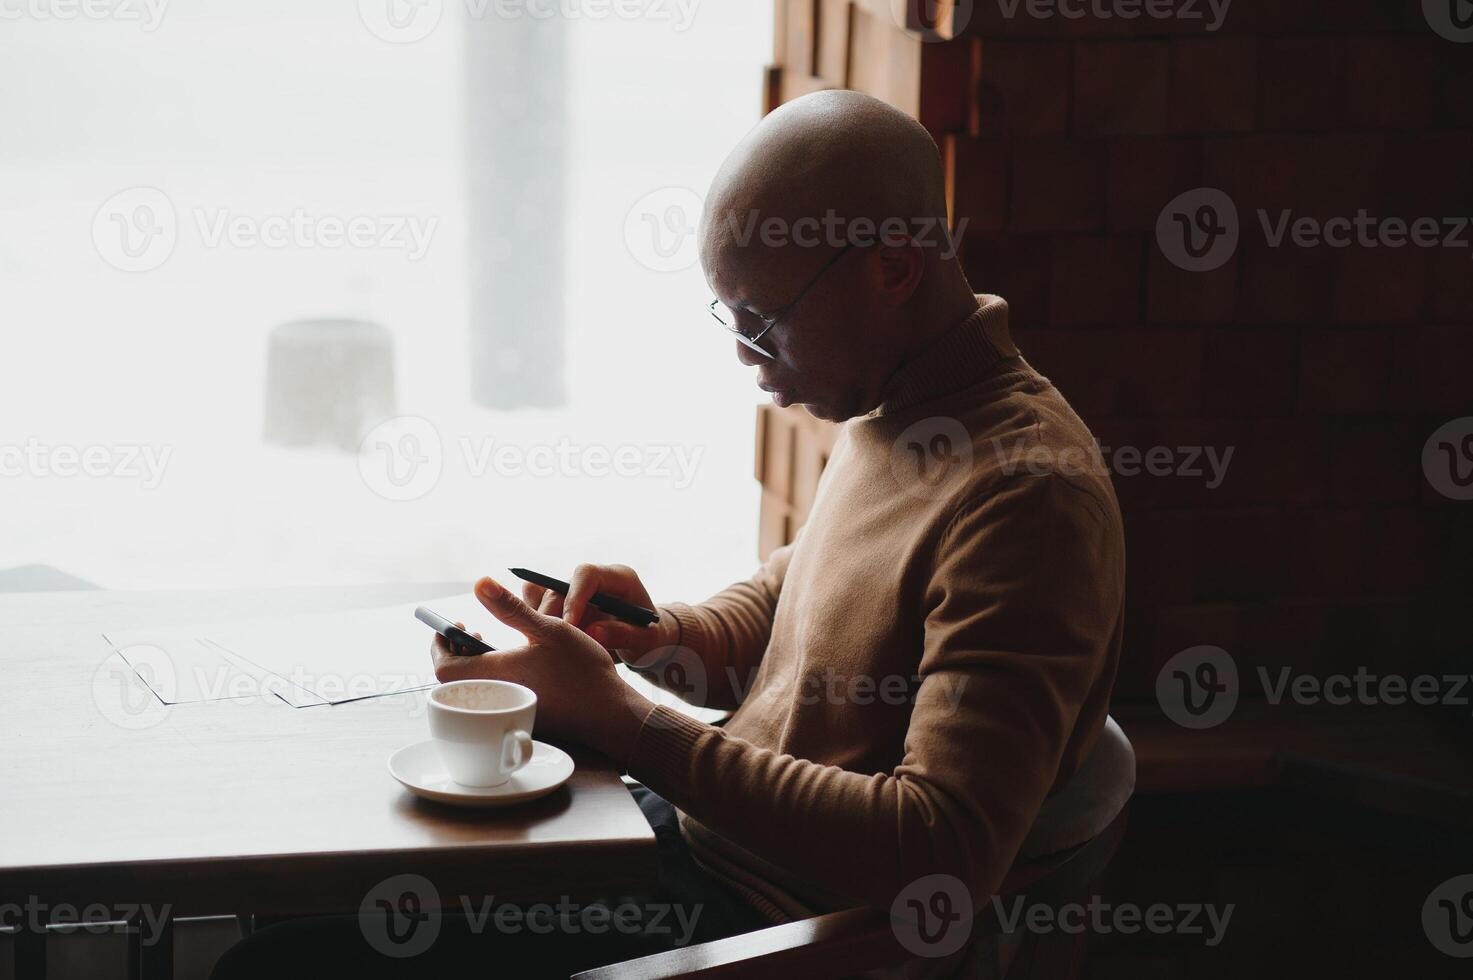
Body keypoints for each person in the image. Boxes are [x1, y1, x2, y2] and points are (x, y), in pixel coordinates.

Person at [214, 88, 1127, 980]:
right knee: (329, 887)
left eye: (762, 322)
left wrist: (624, 718)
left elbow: (939, 852)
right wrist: (659, 636)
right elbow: (791, 600)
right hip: (689, 851)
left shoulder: (1027, 496)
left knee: (274, 962)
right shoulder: (893, 404)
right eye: (728, 318)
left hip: (753, 926)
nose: (743, 354)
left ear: (893, 266)